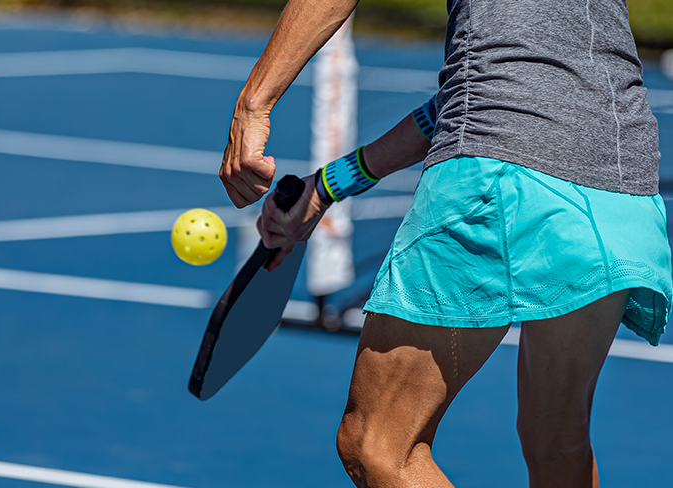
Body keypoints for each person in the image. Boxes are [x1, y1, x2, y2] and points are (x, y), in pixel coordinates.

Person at [219, 0, 673, 486]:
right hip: (626, 196)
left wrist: (253, 104)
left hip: (500, 175)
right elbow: (482, 95)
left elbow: (506, 100)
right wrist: (330, 185)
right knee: (557, 442)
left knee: (377, 444)